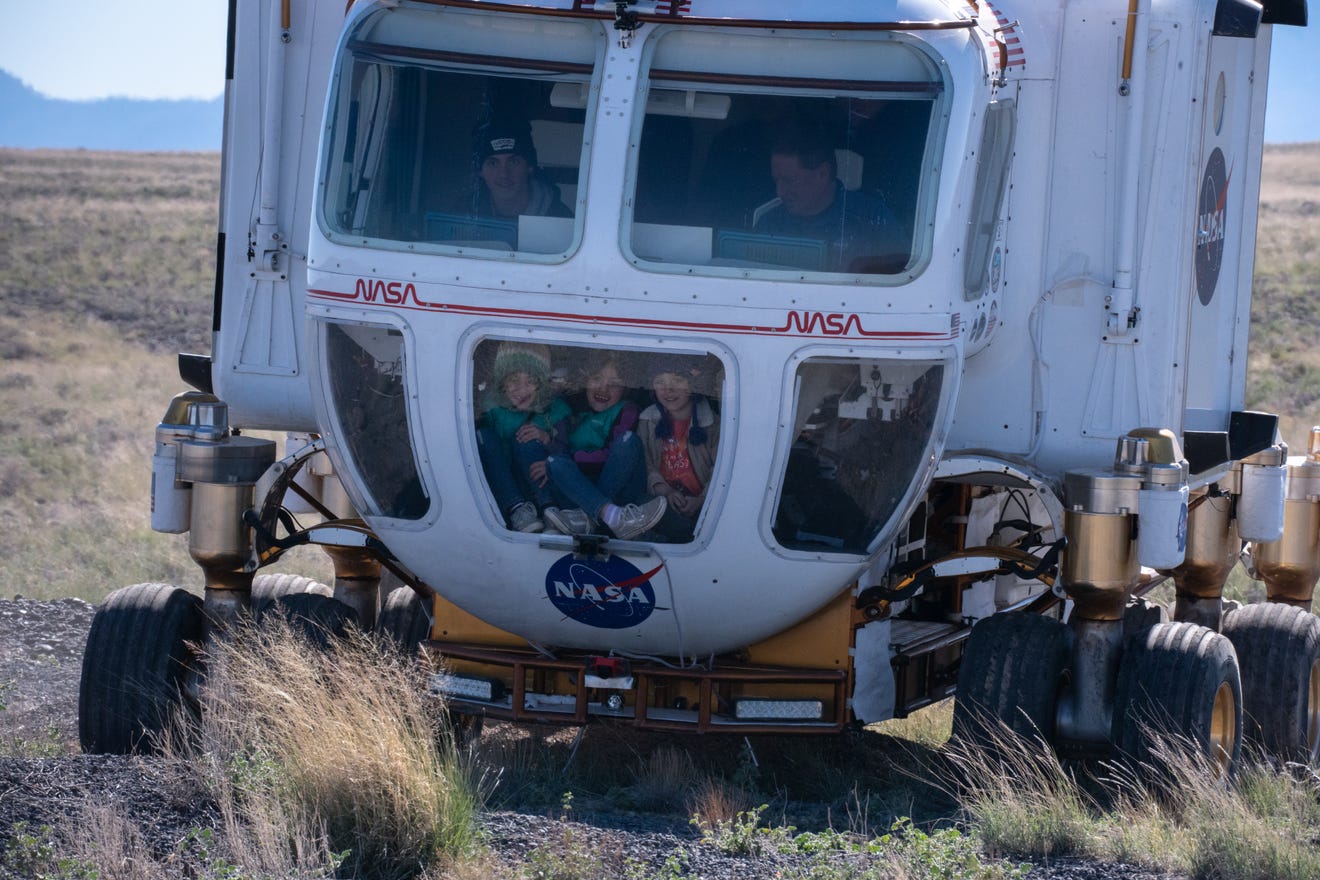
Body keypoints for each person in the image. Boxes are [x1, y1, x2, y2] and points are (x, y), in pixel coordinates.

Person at [542, 354, 668, 541]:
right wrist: (548, 444)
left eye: (614, 383)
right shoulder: (572, 410)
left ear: (625, 389)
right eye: (597, 379)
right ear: (585, 380)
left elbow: (612, 456)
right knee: (554, 462)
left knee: (628, 441)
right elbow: (560, 448)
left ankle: (589, 517)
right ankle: (612, 516)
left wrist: (573, 459)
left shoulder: (627, 410)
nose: (604, 388)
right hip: (580, 489)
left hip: (620, 490)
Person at [753, 127, 908, 273]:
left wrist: (863, 265)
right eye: (777, 181)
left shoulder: (872, 217)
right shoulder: (769, 222)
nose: (780, 192)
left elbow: (905, 266)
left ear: (823, 173)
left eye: (790, 180)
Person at [477, 342, 571, 533]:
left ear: (542, 384)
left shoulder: (554, 411)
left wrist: (547, 443)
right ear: (502, 382)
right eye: (514, 381)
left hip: (541, 484)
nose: (521, 389)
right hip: (504, 485)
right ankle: (517, 509)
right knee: (484, 436)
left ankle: (551, 513)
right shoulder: (490, 409)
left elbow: (569, 453)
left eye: (530, 382)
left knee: (526, 440)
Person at [639, 355, 721, 542]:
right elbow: (646, 464)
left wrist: (702, 499)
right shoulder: (647, 420)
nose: (669, 389)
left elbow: (721, 468)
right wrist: (666, 492)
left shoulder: (712, 423)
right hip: (661, 500)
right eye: (660, 381)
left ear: (692, 384)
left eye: (677, 380)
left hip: (703, 502)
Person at [472, 117, 573, 221]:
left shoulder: (560, 218)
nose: (504, 173)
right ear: (480, 171)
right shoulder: (464, 213)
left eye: (513, 162)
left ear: (529, 167)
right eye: (493, 163)